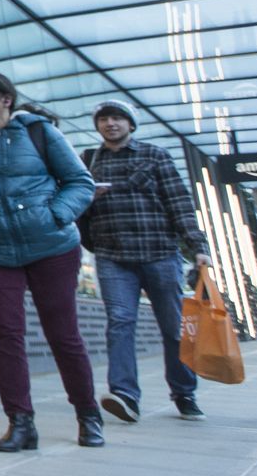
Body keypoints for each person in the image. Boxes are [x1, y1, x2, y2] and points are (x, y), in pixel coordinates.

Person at [0, 71, 100, 452]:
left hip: (51, 247)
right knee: (6, 336)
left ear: (6, 99)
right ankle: (21, 423)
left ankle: (88, 415)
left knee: (63, 335)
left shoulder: (39, 132)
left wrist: (56, 216)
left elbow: (81, 182)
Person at [81, 99, 211, 423]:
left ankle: (184, 392)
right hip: (113, 257)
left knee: (173, 327)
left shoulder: (154, 155)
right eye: (104, 119)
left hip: (160, 253)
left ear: (130, 124)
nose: (110, 124)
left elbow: (178, 201)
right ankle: (125, 395)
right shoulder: (88, 161)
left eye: (117, 119)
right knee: (120, 324)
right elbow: (75, 205)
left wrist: (198, 245)